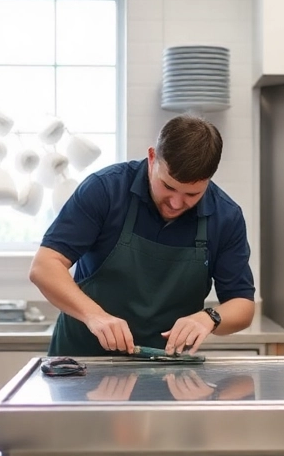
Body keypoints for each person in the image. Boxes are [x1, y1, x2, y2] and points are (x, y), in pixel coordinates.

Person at [30, 114, 255, 357]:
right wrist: (95, 316)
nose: (177, 203)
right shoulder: (105, 190)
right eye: (168, 186)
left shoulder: (225, 217)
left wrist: (209, 317)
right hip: (81, 363)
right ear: (151, 158)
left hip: (164, 371)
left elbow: (243, 305)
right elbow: (45, 266)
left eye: (192, 194)